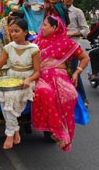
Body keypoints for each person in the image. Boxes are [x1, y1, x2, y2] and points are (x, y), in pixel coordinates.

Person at [32, 16, 90, 152]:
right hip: (41, 77)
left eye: (45, 25)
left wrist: (76, 73)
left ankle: (63, 131)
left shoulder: (65, 42)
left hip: (60, 75)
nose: (42, 28)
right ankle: (59, 132)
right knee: (46, 93)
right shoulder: (37, 42)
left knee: (69, 94)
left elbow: (85, 57)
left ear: (54, 28)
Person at [0, 18, 40, 149]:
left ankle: (10, 134)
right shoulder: (8, 47)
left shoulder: (33, 49)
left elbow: (37, 72)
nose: (14, 34)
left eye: (17, 31)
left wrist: (28, 80)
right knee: (2, 96)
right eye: (12, 32)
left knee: (10, 97)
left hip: (26, 80)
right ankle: (14, 129)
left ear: (25, 32)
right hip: (10, 78)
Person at [62, 0, 90, 107]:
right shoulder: (58, 10)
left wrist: (72, 34)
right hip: (59, 46)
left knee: (74, 71)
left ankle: (83, 98)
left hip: (73, 46)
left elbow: (85, 30)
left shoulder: (77, 12)